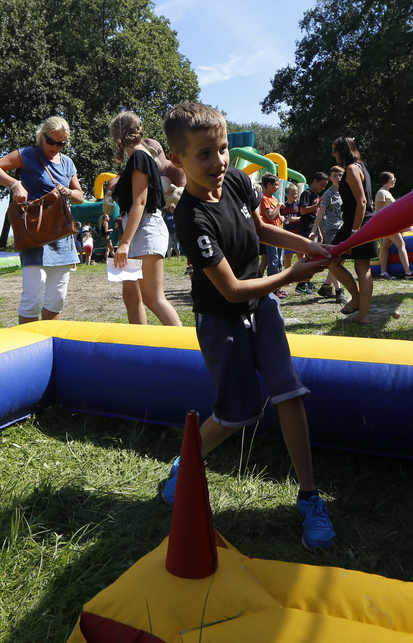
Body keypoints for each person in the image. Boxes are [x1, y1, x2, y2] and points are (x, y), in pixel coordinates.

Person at [161, 102, 336, 550]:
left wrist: (307, 246)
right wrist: (292, 275)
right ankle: (186, 464)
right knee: (236, 414)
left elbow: (260, 230)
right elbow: (232, 290)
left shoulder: (238, 181)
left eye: (222, 149)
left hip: (263, 308)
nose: (218, 161)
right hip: (223, 320)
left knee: (289, 392)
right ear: (178, 160)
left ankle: (309, 496)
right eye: (204, 154)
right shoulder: (191, 219)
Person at [0, 117, 85, 323]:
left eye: (61, 143)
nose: (55, 147)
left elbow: (80, 197)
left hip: (61, 234)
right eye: (51, 141)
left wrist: (68, 192)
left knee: (57, 298)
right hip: (34, 234)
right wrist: (15, 185)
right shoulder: (28, 154)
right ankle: (29, 340)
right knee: (33, 296)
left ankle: (50, 339)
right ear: (42, 136)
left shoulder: (67, 163)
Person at [109, 111, 182, 327]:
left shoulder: (140, 157)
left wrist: (124, 243)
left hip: (146, 228)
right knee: (131, 297)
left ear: (119, 134)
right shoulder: (139, 157)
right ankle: (139, 343)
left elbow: (140, 202)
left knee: (153, 298)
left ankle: (185, 345)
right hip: (138, 228)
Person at [328, 136, 378, 324]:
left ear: (343, 150)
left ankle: (356, 300)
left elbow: (362, 202)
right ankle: (363, 315)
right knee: (362, 268)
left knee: (331, 259)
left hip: (357, 223)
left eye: (334, 150)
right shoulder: (361, 167)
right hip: (365, 222)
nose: (333, 154)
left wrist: (355, 233)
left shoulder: (351, 169)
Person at [374, 171, 413, 280]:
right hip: (388, 225)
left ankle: (383, 273)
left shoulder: (386, 192)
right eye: (393, 178)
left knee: (385, 247)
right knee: (401, 244)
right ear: (389, 180)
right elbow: (378, 211)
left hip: (389, 224)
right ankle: (408, 272)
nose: (395, 180)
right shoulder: (381, 193)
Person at [313, 166, 346, 302]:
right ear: (330, 177)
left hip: (343, 228)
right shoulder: (328, 194)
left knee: (342, 259)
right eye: (335, 175)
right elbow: (320, 213)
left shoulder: (345, 191)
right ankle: (339, 291)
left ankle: (326, 286)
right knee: (336, 260)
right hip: (331, 229)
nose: (338, 177)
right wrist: (314, 230)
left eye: (340, 175)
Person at [293, 172, 328, 294]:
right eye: (321, 185)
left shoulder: (315, 195)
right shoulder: (307, 193)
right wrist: (317, 205)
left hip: (313, 228)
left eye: (324, 186)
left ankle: (308, 281)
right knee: (308, 256)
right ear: (315, 181)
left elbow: (315, 216)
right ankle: (301, 284)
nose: (322, 188)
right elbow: (303, 211)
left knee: (312, 256)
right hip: (306, 228)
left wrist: (319, 231)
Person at [258, 174, 283, 291]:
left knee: (279, 261)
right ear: (269, 184)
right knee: (273, 261)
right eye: (276, 185)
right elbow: (270, 216)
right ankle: (272, 289)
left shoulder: (274, 199)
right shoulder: (265, 199)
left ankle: (279, 287)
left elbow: (278, 217)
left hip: (278, 232)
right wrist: (278, 206)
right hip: (270, 234)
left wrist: (282, 218)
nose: (277, 187)